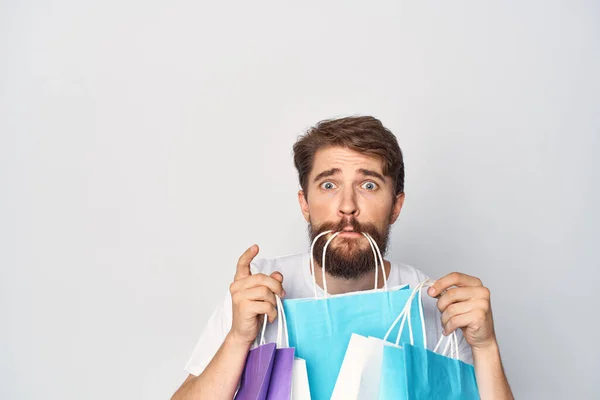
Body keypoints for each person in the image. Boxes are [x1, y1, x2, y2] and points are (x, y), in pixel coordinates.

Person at [171, 116, 514, 400]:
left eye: (368, 186)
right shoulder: (258, 291)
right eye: (329, 185)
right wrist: (238, 339)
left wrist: (486, 348)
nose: (347, 206)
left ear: (396, 205)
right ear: (305, 204)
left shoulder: (434, 306)